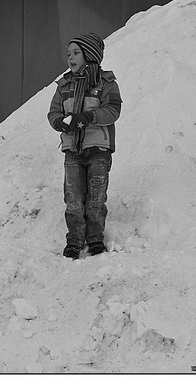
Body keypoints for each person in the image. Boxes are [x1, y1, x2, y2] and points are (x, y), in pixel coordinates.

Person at [47, 33, 123, 259]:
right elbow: (53, 112)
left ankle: (95, 239)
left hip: (98, 149)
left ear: (89, 55)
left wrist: (88, 117)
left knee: (96, 199)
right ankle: (74, 240)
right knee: (73, 198)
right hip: (73, 150)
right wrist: (59, 122)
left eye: (76, 53)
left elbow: (113, 111)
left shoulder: (106, 83)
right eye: (69, 54)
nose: (70, 58)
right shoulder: (64, 85)